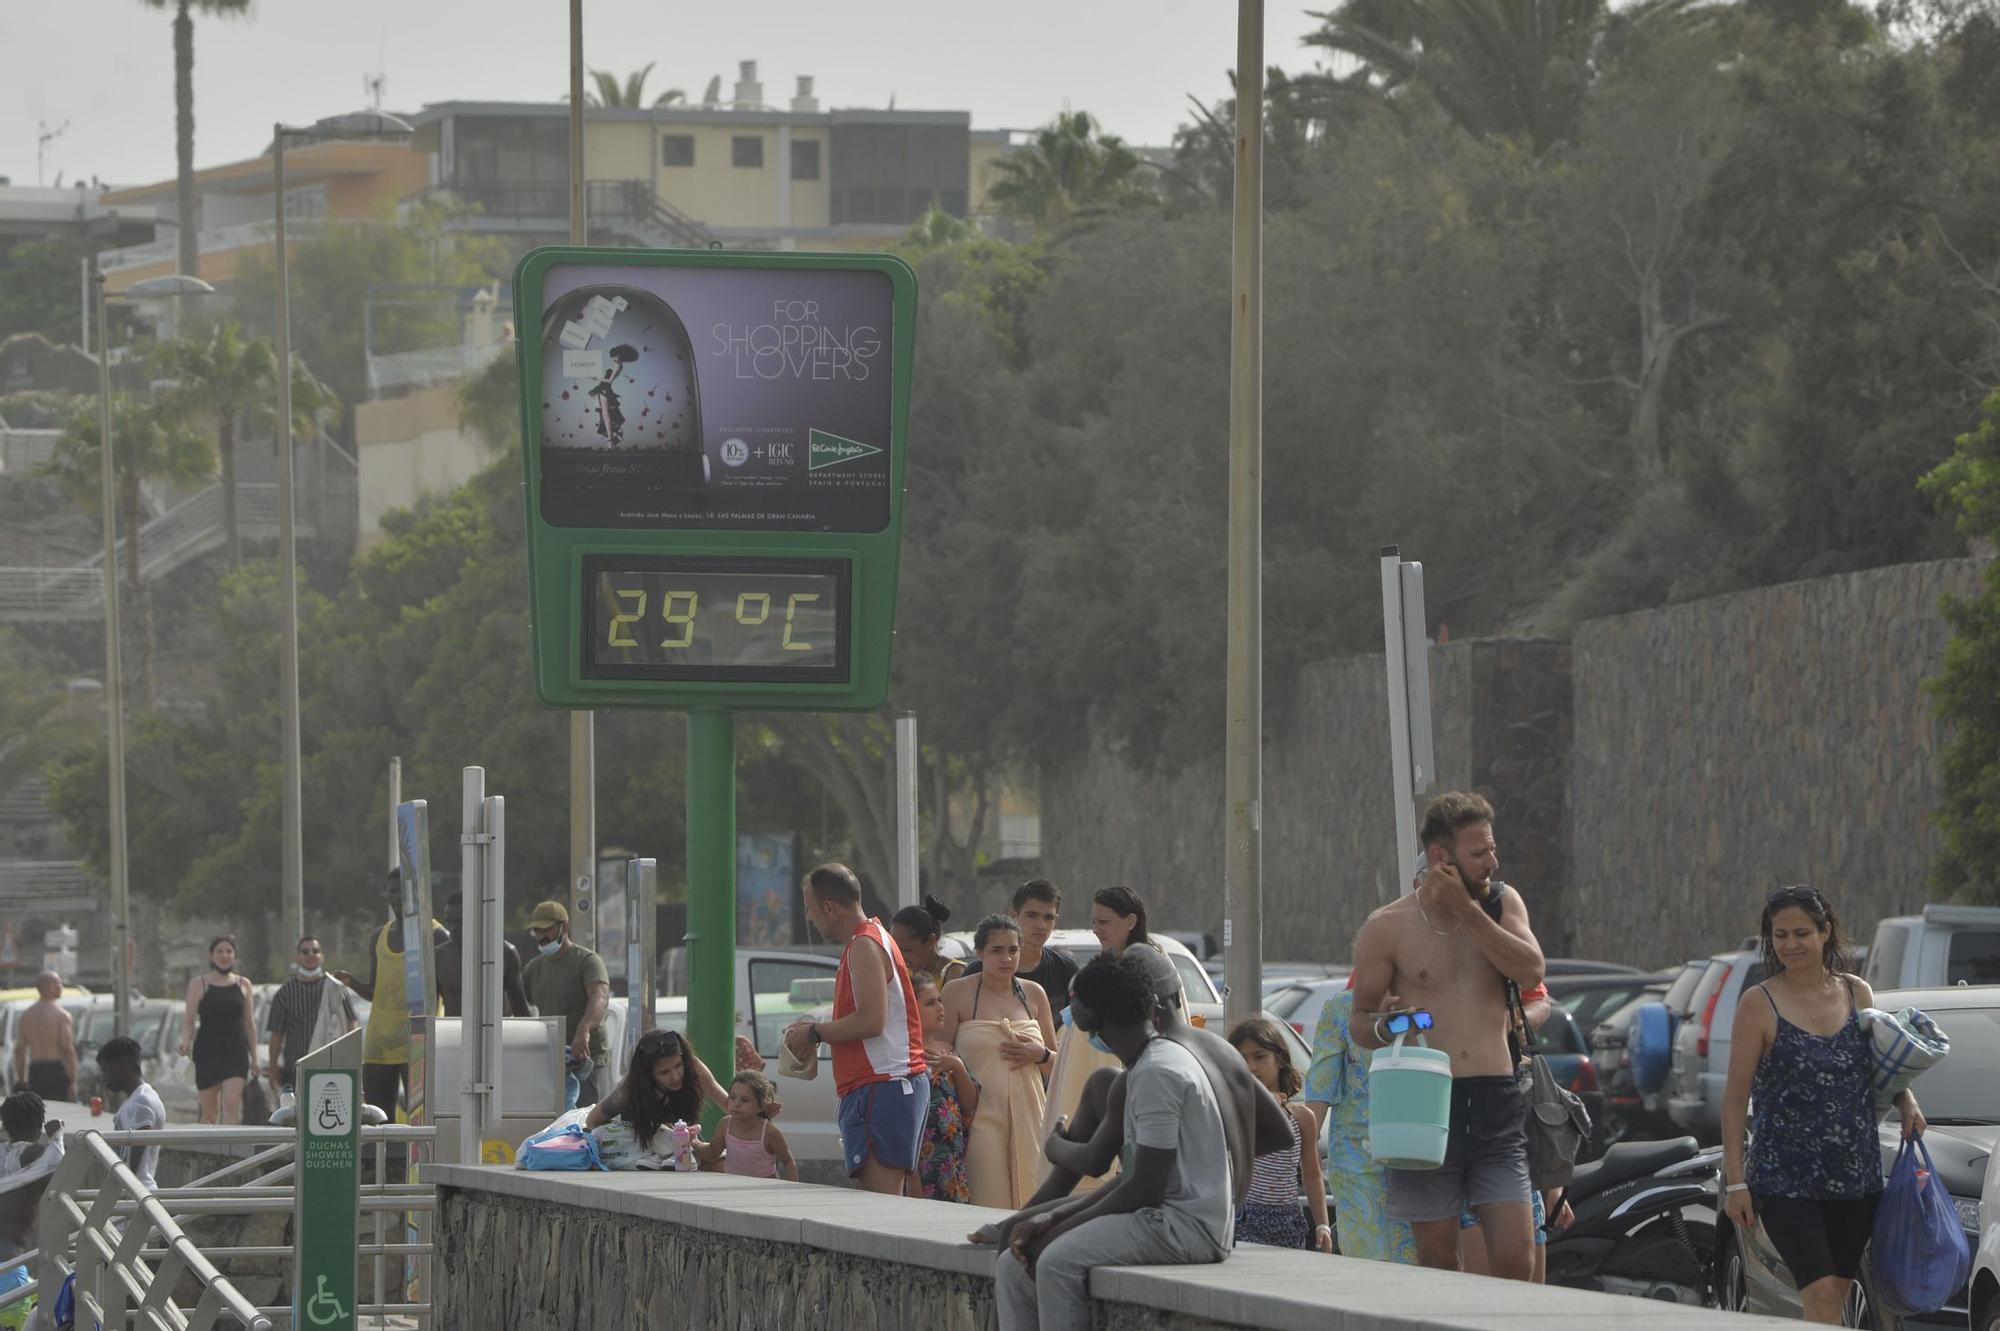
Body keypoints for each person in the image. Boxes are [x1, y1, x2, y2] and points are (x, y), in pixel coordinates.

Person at [1350, 791, 1546, 1281]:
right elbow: (1360, 1022)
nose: (1492, 862)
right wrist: (1393, 1023)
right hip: (1422, 1102)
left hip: (1495, 1099)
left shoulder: (1502, 903)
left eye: (1492, 850)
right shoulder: (1387, 926)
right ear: (1442, 857)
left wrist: (1468, 910)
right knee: (1438, 1265)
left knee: (1516, 1262)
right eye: (1478, 853)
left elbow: (1531, 970)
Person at [993, 951, 1232, 1331]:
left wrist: (1057, 1226)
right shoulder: (1145, 1065)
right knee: (1012, 1264)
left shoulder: (1158, 1071)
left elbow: (1145, 1188)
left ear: (1090, 1018)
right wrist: (1052, 1215)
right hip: (1161, 1217)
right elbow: (1136, 1176)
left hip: (1186, 1226)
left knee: (1054, 1260)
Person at [1722, 884, 1923, 1326]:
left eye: (1801, 933)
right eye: (1780, 935)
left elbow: (1880, 1066)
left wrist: (1906, 1100)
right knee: (1821, 1294)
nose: (1790, 945)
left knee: (1839, 1292)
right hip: (1785, 1178)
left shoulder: (1857, 993)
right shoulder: (1758, 1004)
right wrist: (1736, 1182)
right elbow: (1736, 1100)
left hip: (1856, 1176)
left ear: (1824, 931)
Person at [781, 863, 929, 1196]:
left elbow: (871, 1020)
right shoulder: (873, 937)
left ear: (829, 907)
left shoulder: (864, 944)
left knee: (879, 1208)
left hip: (883, 1085)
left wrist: (815, 1032)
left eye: (810, 909)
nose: (809, 917)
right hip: (887, 1086)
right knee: (884, 1202)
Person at [943, 914, 1056, 1209]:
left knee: (1034, 1201)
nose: (1006, 958)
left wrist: (1039, 1054)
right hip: (980, 1119)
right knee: (986, 1201)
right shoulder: (957, 992)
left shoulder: (1034, 994)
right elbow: (938, 1053)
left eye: (1013, 950)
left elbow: (1059, 1065)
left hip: (1033, 1117)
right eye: (996, 950)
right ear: (980, 953)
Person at [1304, 988, 1414, 1263]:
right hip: (1357, 1165)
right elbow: (1321, 1085)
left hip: (1418, 1157)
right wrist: (1303, 1140)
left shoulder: (1428, 1001)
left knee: (1416, 1265)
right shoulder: (1339, 1008)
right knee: (1365, 1264)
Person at [333, 868, 451, 1123]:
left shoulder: (436, 935)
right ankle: (383, 1164)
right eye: (392, 890)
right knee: (376, 1119)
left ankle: (419, 1164)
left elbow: (446, 990)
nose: (398, 896)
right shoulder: (379, 936)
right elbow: (376, 991)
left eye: (403, 890)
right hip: (380, 1041)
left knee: (420, 1118)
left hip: (418, 1041)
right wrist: (351, 982)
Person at [1229, 1016, 1332, 1253]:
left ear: (1280, 1060)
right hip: (1245, 1216)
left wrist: (1323, 1225)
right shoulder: (1234, 1110)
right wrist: (1263, 1105)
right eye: (1242, 1058)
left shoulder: (1302, 1117)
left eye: (1260, 1057)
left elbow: (1312, 1175)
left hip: (1287, 1218)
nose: (1252, 1067)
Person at [586, 1028, 735, 1160]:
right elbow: (592, 1121)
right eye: (664, 1072)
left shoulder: (694, 1068)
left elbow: (730, 1106)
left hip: (683, 1142)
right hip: (641, 1150)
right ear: (648, 1075)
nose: (675, 1076)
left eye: (678, 1066)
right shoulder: (629, 1088)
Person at [521, 900, 612, 1110]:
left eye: (547, 929)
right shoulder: (533, 968)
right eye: (536, 930)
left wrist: (584, 1029)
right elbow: (514, 1004)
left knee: (591, 1123)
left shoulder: (587, 961)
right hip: (553, 1064)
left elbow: (600, 997)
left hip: (588, 1061)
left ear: (565, 927)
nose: (541, 936)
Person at [963, 881, 1075, 1023]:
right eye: (1032, 915)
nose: (1041, 925)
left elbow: (1078, 1032)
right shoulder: (978, 971)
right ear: (1013, 915)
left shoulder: (1065, 970)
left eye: (1048, 917)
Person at [264, 936, 359, 1097]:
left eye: (315, 951)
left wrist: (354, 1060)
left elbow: (351, 1024)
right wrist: (273, 1068)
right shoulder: (285, 993)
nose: (310, 955)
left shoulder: (335, 988)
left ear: (322, 956)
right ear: (297, 957)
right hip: (296, 1068)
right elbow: (276, 1035)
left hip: (330, 1066)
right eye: (305, 951)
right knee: (299, 1116)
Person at [911, 971, 976, 1203]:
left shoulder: (946, 1048)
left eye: (940, 1000)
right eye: (930, 1003)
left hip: (952, 1163)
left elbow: (970, 1104)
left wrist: (956, 1066)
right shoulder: (906, 1055)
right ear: (910, 1009)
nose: (940, 1007)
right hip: (922, 1165)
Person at [178, 936, 258, 1125]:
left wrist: (254, 1057)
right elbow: (189, 1021)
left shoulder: (243, 984)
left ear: (235, 956)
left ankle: (232, 1153)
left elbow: (249, 1024)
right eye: (220, 951)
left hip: (236, 1051)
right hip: (207, 1052)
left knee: (231, 1106)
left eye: (229, 951)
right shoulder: (199, 984)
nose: (224, 955)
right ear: (211, 956)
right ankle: (213, 1153)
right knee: (209, 1113)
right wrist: (185, 1042)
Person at [434, 892, 531, 1019]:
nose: (453, 928)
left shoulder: (505, 953)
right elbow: (428, 1012)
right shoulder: (439, 956)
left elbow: (521, 1011)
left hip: (494, 1036)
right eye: (449, 922)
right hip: (453, 1035)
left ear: (476, 918)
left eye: (459, 922)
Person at [695, 1070, 798, 1181]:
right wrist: (695, 1142)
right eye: (733, 1097)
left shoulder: (769, 1133)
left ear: (760, 1105)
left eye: (744, 1100)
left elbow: (788, 1161)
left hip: (764, 1191)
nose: (736, 1104)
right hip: (733, 1186)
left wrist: (792, 1191)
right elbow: (713, 1152)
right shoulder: (725, 1125)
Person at [96, 1036, 163, 1191]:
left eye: (106, 1070)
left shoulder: (142, 1102)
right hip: (134, 1192)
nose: (103, 1078)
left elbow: (132, 1165)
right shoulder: (137, 1099)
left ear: (122, 1066)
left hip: (137, 1193)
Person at [10, 973, 75, 1104]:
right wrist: (73, 1081)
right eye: (59, 984)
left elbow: (19, 1050)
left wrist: (22, 1079)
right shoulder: (61, 1015)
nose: (61, 987)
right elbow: (67, 1049)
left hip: (35, 1070)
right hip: (56, 1070)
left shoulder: (26, 1016)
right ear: (51, 986)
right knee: (60, 1110)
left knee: (38, 1111)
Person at [890, 895, 965, 988]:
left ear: (931, 941)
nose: (900, 957)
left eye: (907, 950)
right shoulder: (905, 973)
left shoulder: (953, 973)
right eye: (895, 950)